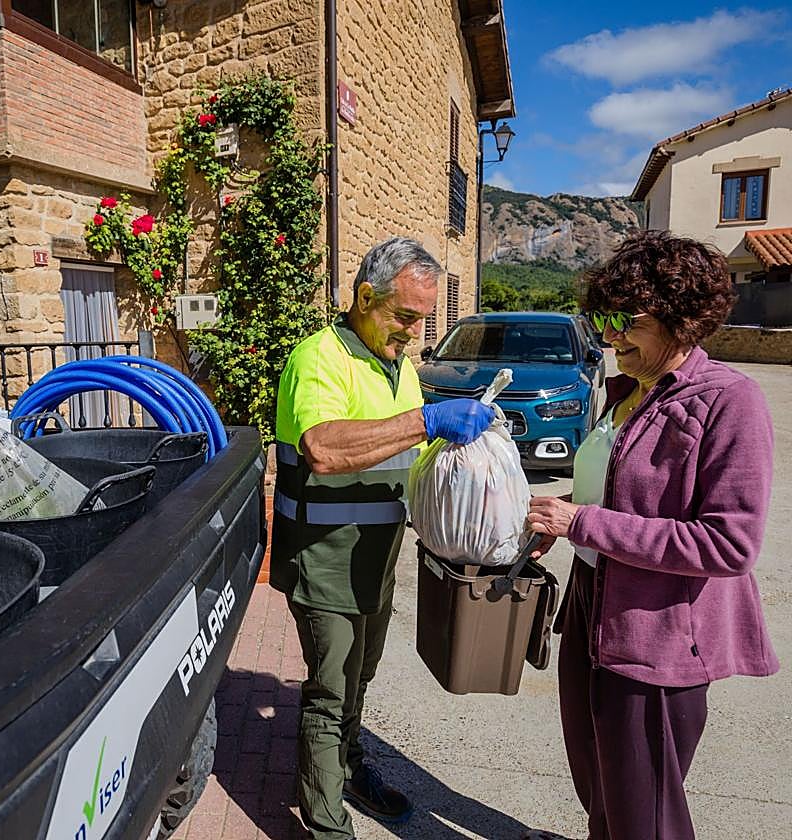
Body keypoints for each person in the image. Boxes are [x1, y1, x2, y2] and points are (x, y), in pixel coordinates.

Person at [526, 230, 779, 840]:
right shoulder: (629, 393)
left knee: (647, 818)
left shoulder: (730, 401)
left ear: (681, 319)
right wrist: (562, 516)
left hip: (658, 639)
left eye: (623, 319)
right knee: (601, 793)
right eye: (601, 318)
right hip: (592, 610)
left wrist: (583, 523)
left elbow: (728, 543)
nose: (609, 336)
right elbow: (618, 497)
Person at [271, 236, 496, 840]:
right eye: (404, 317)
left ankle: (345, 768)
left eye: (423, 321)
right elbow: (322, 448)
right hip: (325, 560)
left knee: (357, 681)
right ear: (365, 296)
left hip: (375, 561)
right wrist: (426, 421)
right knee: (328, 691)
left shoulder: (399, 369)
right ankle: (326, 824)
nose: (413, 335)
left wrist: (480, 498)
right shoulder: (320, 356)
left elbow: (409, 459)